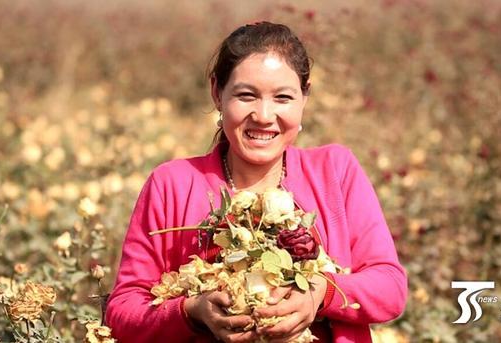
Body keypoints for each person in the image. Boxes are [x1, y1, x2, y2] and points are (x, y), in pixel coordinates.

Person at [106, 22, 407, 343]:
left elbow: (390, 288)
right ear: (217, 93)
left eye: (283, 97)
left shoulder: (336, 170)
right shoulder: (172, 184)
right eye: (246, 95)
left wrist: (321, 291)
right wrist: (192, 310)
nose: (264, 115)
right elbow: (123, 312)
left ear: (304, 97)